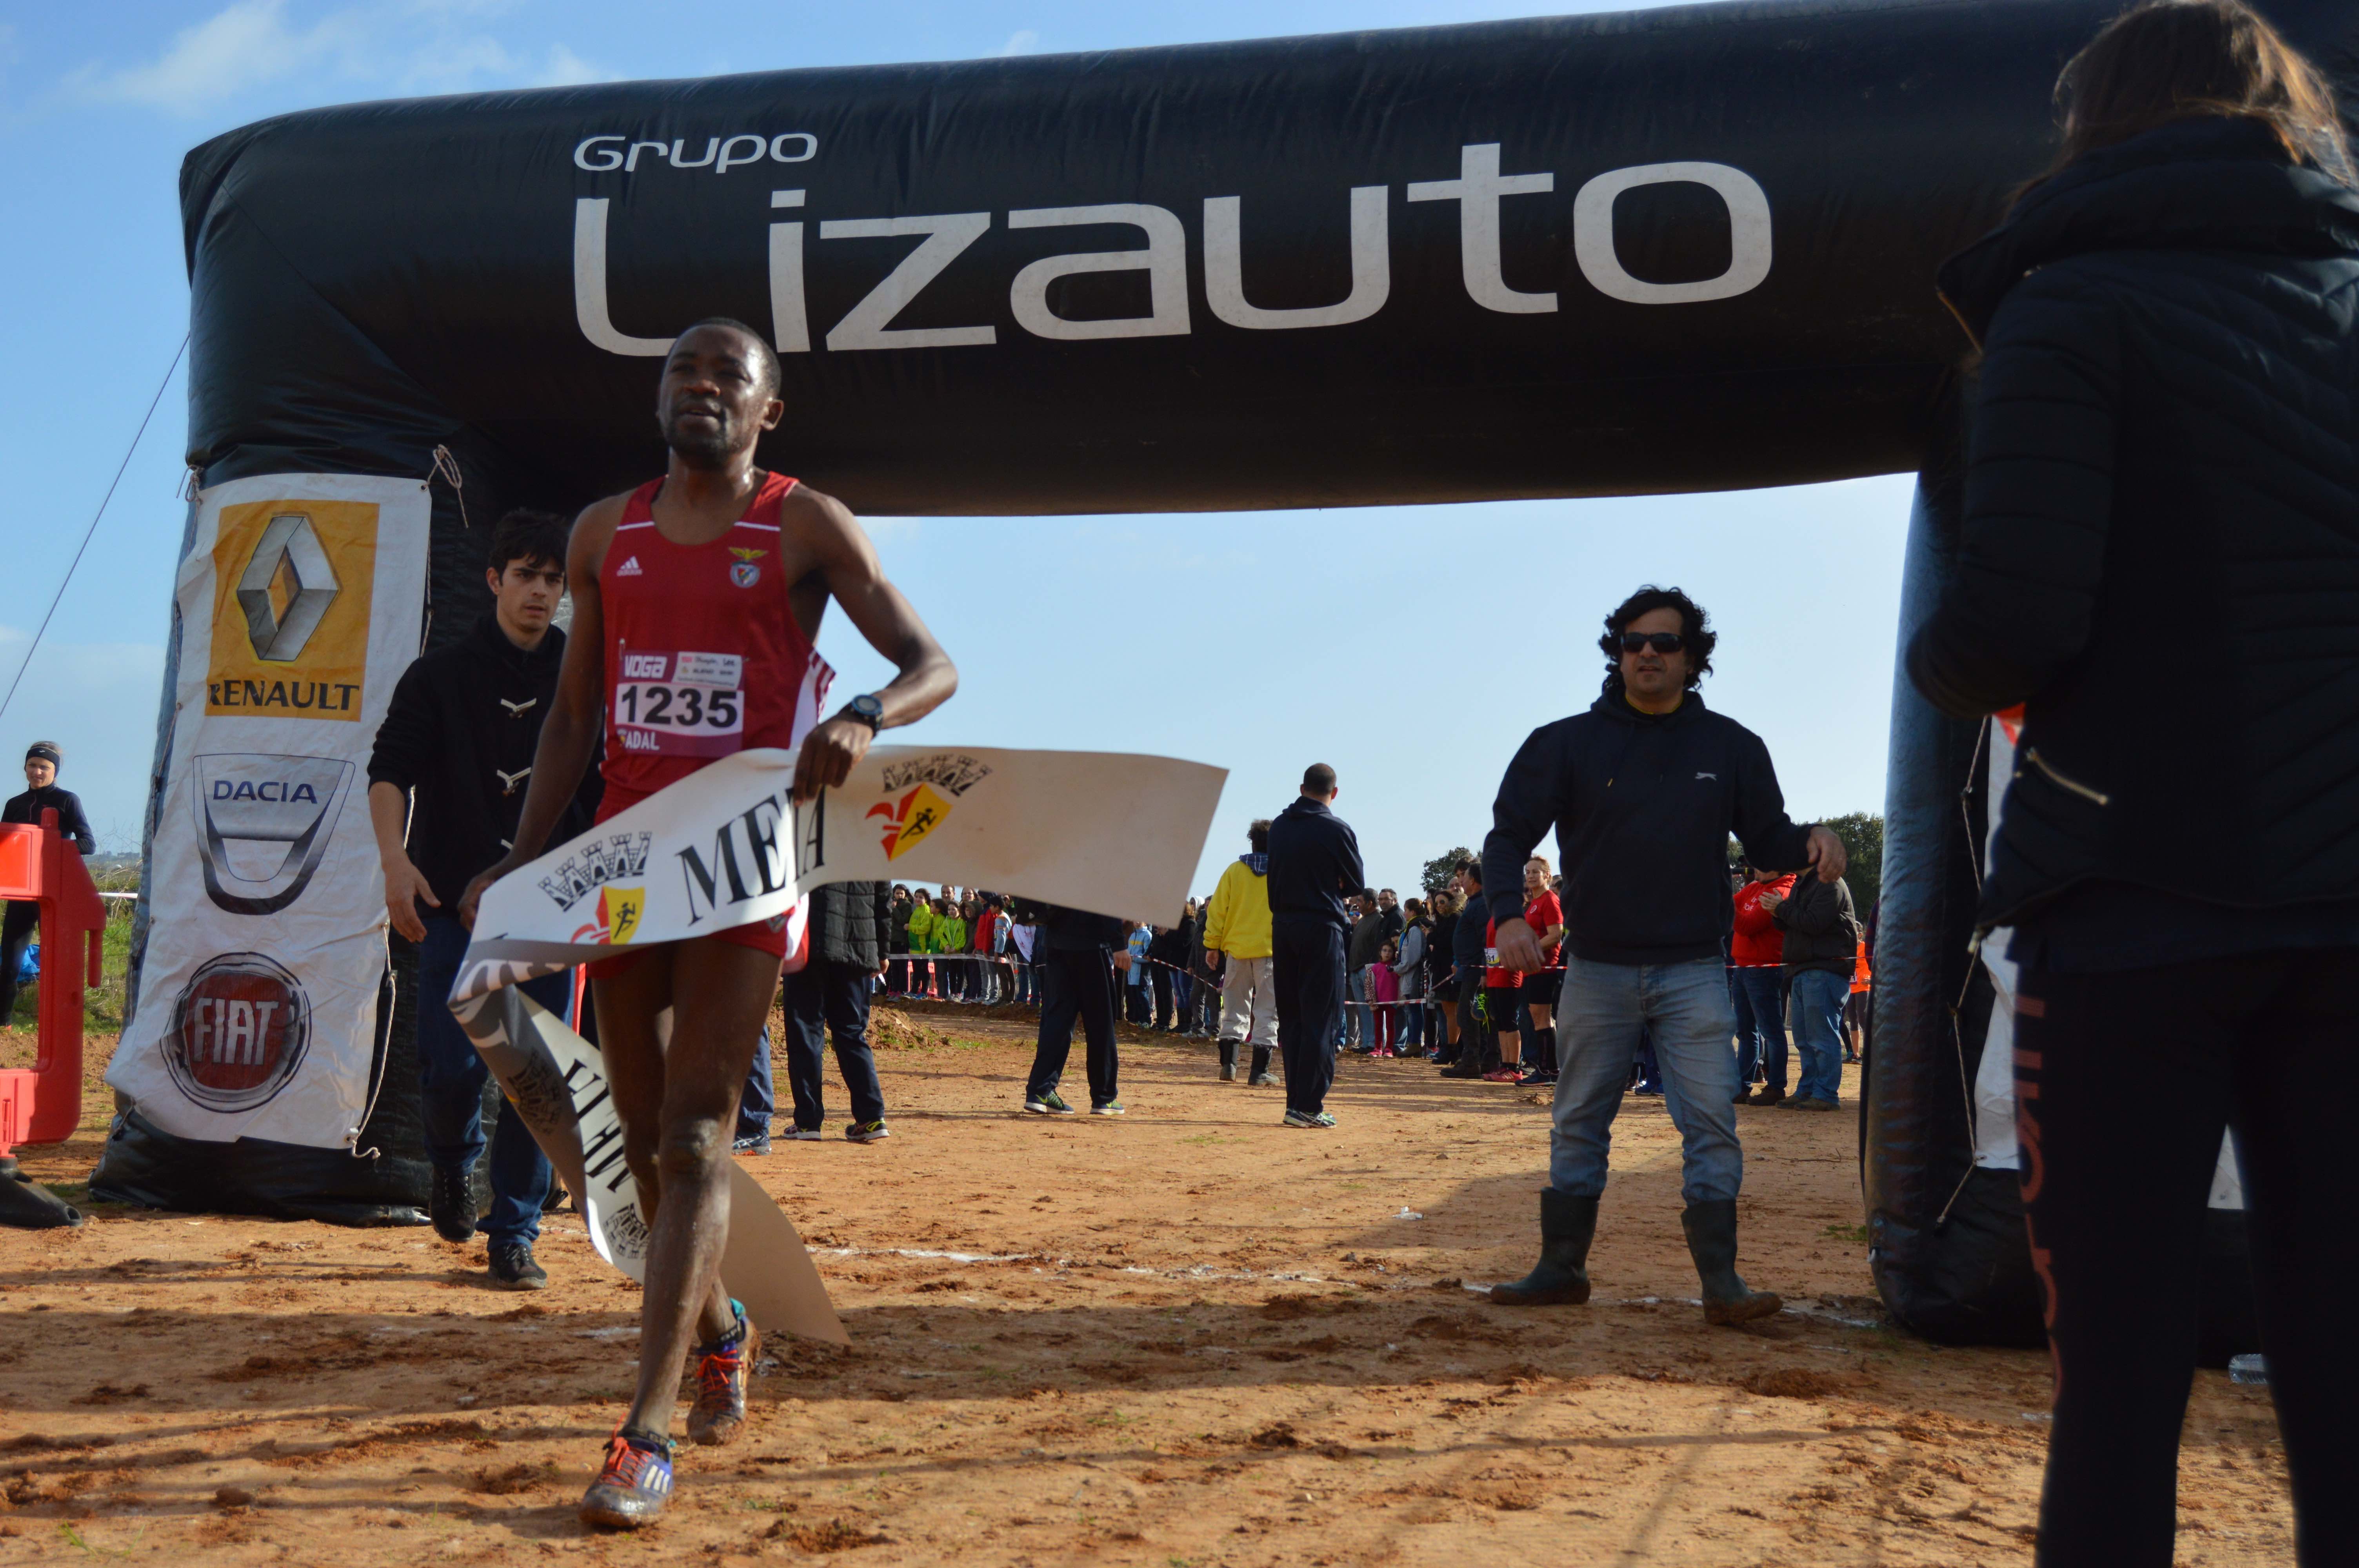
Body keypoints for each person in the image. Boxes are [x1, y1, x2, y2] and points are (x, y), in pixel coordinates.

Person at [1904, 5, 2359, 1559]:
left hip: (2132, 897)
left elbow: (2012, 622)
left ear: (2092, 121)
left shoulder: (2068, 304)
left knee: (2115, 1372)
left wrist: (1940, 665)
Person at [457, 318, 956, 1529]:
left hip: (744, 867)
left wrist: (866, 715)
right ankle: (723, 1327)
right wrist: (520, 870)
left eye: (729, 375)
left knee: (692, 1137)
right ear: (659, 396)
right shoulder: (601, 533)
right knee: (637, 1145)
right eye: (682, 369)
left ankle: (645, 1432)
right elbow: (572, 718)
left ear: (767, 410)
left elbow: (932, 663)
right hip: (632, 868)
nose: (701, 387)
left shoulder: (806, 523)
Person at [1483, 585, 1842, 1325]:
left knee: (1710, 1120)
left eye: (1666, 642)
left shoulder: (1732, 746)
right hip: (1597, 968)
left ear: (1692, 657)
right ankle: (1561, 1269)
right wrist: (1507, 915)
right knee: (1579, 1120)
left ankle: (1722, 1284)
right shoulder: (1564, 743)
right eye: (1633, 641)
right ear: (1617, 654)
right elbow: (1507, 835)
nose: (1647, 652)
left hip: (1694, 971)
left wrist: (1815, 839)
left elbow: (1770, 837)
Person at [367, 510, 597, 1289]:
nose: (540, 592)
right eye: (526, 575)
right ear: (495, 579)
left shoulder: (583, 676)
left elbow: (607, 790)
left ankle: (515, 1233)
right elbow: (389, 770)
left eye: (554, 580)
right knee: (451, 1068)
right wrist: (395, 863)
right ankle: (450, 1161)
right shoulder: (436, 675)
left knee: (537, 1076)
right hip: (446, 902)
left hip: (549, 908)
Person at [1267, 764, 1364, 1128]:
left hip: (1283, 926)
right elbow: (1355, 882)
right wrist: (1330, 880)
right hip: (1322, 926)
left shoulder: (1279, 826)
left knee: (1292, 1018)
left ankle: (1296, 1102)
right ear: (1334, 793)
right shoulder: (1336, 829)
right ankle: (1309, 1105)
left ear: (1302, 788)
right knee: (1322, 1019)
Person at [780, 881, 894, 1143]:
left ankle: (808, 1122)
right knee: (852, 1034)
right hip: (859, 945)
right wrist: (882, 951)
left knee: (805, 1035)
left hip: (808, 946)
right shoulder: (874, 852)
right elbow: (884, 899)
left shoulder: (801, 848)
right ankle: (871, 1117)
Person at [0, 742, 94, 1027]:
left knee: (57, 964)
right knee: (9, 964)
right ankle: (4, 1023)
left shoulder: (67, 800)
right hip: (22, 893)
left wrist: (49, 850)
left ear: (55, 771)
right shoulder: (14, 804)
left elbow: (88, 844)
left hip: (54, 894)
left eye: (44, 767)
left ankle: (59, 1023)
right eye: (33, 765)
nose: (37, 772)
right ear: (25, 768)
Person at [1022, 902, 1129, 1116]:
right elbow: (1105, 896)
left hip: (1056, 943)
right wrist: (1119, 943)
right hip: (1092, 945)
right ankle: (1104, 1098)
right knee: (1101, 1023)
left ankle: (1040, 1091)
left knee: (1056, 1020)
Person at [1768, 869, 1855, 1112]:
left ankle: (1825, 1094)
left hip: (1824, 968)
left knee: (1821, 1037)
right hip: (1803, 968)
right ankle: (1808, 1090)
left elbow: (1814, 923)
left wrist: (1781, 909)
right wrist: (1777, 912)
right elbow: (1794, 922)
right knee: (1805, 1039)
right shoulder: (1803, 884)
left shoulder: (1830, 883)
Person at [1202, 820, 1277, 1082]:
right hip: (1270, 952)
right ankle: (1259, 1072)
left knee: (1234, 1009)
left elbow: (1216, 912)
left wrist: (1212, 945)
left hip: (1236, 951)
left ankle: (1229, 1067)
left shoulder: (1234, 871)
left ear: (1252, 842)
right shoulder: (1283, 872)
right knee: (1267, 1012)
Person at [1729, 862, 1795, 1105]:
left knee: (1771, 1031)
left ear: (1778, 867)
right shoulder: (1756, 887)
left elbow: (1746, 926)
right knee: (1746, 1032)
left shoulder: (1781, 891)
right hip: (1744, 967)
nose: (1754, 869)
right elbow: (1734, 907)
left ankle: (1776, 1087)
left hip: (1764, 970)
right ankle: (1741, 1086)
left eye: (1761, 864)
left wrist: (1722, 897)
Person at [1516, 856, 1566, 1087]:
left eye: (1536, 872)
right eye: (1528, 872)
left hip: (1545, 967)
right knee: (1539, 1019)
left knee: (1542, 1019)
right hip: (1533, 969)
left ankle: (1547, 1071)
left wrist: (1530, 950)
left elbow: (1555, 935)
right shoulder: (1535, 902)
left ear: (1547, 875)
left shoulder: (1550, 900)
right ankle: (1550, 1070)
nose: (1531, 876)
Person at [1440, 862, 1492, 1079]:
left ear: (1473, 880)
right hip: (1469, 969)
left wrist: (1484, 971)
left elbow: (1486, 940)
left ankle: (1472, 1062)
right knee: (1468, 1016)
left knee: (1469, 1016)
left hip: (1477, 971)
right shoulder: (1475, 902)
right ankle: (1480, 1060)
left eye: (1464, 876)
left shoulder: (1482, 905)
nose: (1460, 881)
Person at [1345, 890, 1385, 1051]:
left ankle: (1376, 1043)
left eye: (1361, 901)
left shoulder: (1379, 920)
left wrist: (1371, 968)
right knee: (1363, 1010)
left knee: (1373, 1008)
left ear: (1370, 903)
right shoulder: (1363, 921)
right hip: (1355, 970)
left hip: (1368, 970)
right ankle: (1366, 1042)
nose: (1358, 904)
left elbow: (1378, 946)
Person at [1426, 889, 1461, 1061]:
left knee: (1453, 1013)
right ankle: (1449, 1049)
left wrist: (1431, 937)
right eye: (1437, 903)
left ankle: (1453, 1050)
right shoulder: (1441, 921)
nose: (1439, 906)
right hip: (1440, 971)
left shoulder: (1455, 919)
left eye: (1443, 902)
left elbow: (1449, 942)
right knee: (1448, 1013)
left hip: (1451, 972)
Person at [1392, 898, 1428, 1053]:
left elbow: (1413, 958)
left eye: (1406, 910)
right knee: (1414, 1009)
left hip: (1415, 976)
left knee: (1415, 1010)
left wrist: (1398, 968)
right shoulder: (1411, 928)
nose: (1404, 914)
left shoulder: (1415, 930)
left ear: (1413, 912)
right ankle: (1414, 1043)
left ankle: (1415, 1043)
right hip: (1409, 976)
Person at [1367, 936, 1401, 1054]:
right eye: (1385, 951)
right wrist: (1371, 1000)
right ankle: (1378, 1048)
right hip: (1378, 1001)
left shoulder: (1396, 968)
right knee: (1378, 1025)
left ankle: (1389, 1048)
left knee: (1390, 1025)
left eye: (1390, 951)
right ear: (1380, 952)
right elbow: (1370, 985)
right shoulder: (1375, 968)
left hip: (1392, 1001)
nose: (1387, 953)